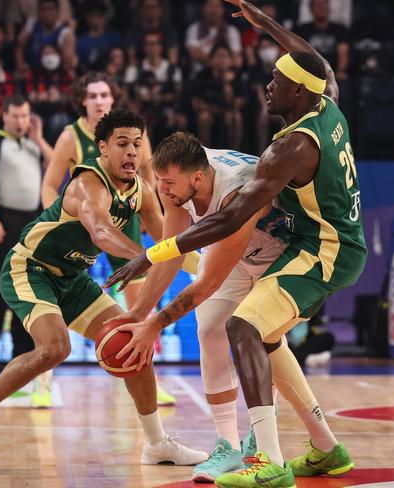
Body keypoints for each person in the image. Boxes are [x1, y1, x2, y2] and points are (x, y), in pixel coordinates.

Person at [105, 1, 366, 486]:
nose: (268, 85)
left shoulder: (290, 148)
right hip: (313, 243)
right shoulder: (325, 100)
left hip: (314, 251)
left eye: (277, 80)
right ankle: (319, 447)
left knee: (243, 327)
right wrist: (263, 22)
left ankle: (268, 461)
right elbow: (317, 63)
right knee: (252, 336)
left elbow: (225, 228)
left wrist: (150, 266)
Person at [0, 108, 208, 468]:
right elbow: (100, 231)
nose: (131, 152)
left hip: (73, 279)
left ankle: (157, 443)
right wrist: (142, 256)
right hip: (30, 268)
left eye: (138, 145)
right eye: (122, 144)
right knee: (54, 347)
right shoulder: (87, 183)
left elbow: (168, 242)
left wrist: (207, 265)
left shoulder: (141, 191)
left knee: (133, 343)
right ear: (103, 148)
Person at [104, 132, 287, 482]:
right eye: (159, 182)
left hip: (277, 254)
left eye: (169, 184)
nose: (164, 190)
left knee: (266, 340)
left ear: (198, 178)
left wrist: (154, 326)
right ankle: (228, 446)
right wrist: (137, 314)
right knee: (208, 330)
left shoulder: (235, 189)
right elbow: (171, 252)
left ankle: (263, 437)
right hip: (231, 253)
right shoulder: (173, 181)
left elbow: (207, 285)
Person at [41, 72, 192, 406]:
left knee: (140, 303)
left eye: (104, 95)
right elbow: (50, 184)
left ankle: (145, 371)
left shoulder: (135, 135)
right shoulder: (70, 136)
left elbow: (149, 176)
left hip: (125, 221)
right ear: (83, 101)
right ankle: (44, 381)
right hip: (85, 225)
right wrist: (57, 216)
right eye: (92, 96)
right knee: (53, 300)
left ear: (112, 99)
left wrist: (165, 216)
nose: (98, 101)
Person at [0, 94, 53, 377]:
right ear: (4, 115)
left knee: (27, 287)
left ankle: (23, 353)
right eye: (15, 116)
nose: (20, 121)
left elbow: (57, 167)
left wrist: (39, 138)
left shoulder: (31, 146)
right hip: (4, 222)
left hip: (31, 222)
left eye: (25, 116)